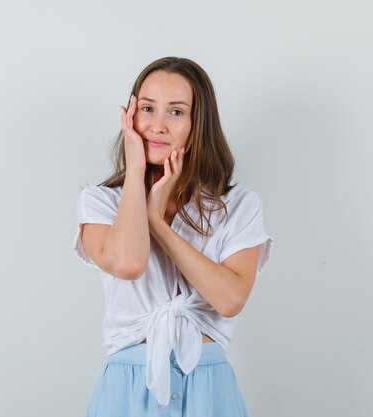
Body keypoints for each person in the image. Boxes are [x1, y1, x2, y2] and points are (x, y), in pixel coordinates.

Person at [72, 56, 274, 417]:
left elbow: (229, 299)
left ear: (199, 125)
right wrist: (135, 171)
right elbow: (128, 262)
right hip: (129, 388)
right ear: (130, 116)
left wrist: (159, 224)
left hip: (209, 387)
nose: (157, 126)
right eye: (147, 108)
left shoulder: (237, 205)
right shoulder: (100, 202)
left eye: (176, 112)